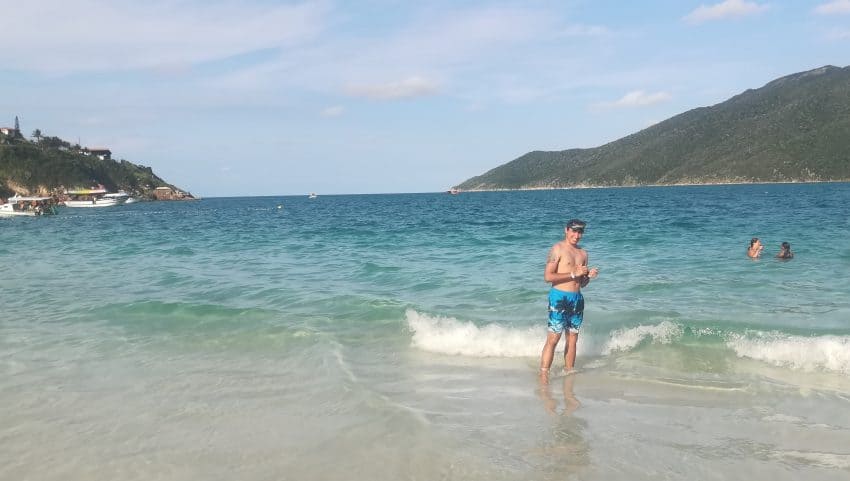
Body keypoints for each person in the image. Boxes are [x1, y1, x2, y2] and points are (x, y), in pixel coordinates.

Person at [540, 219, 599, 381]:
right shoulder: (557, 249)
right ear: (566, 230)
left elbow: (582, 283)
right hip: (559, 297)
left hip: (577, 299)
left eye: (580, 232)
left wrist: (589, 277)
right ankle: (544, 375)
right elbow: (547, 277)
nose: (577, 235)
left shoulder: (583, 254)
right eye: (574, 231)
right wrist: (573, 274)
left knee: (573, 338)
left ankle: (569, 373)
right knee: (553, 338)